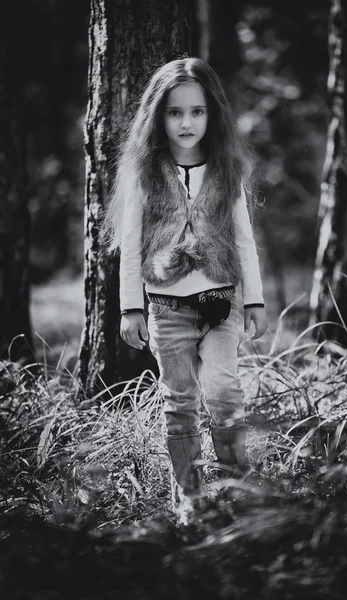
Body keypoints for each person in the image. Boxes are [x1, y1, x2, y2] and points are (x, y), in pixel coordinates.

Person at [102, 57, 268, 505]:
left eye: (196, 111)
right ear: (159, 117)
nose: (186, 122)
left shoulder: (226, 168)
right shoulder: (144, 173)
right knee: (179, 401)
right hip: (166, 310)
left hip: (221, 303)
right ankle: (190, 497)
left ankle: (235, 489)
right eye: (175, 112)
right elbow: (132, 247)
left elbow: (243, 239)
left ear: (212, 113)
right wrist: (130, 308)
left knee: (223, 389)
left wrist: (254, 299)